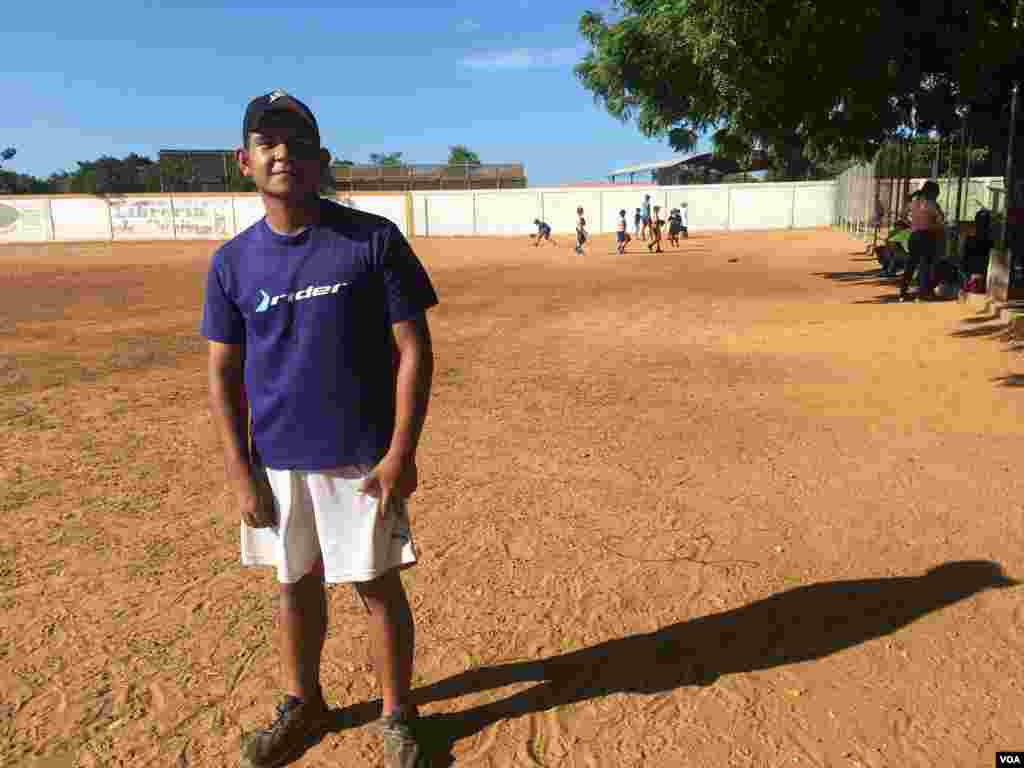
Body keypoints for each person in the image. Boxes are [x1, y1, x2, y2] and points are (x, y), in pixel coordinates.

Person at [201, 90, 437, 768]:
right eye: (268, 143)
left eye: (298, 143)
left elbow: (414, 349)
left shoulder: (372, 240)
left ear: (321, 159)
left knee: (376, 587)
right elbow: (223, 374)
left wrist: (400, 451)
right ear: (244, 161)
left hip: (360, 459)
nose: (283, 155)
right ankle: (304, 702)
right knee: (293, 584)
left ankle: (396, 716)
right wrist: (240, 471)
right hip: (276, 460)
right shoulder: (232, 263)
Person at [899, 180, 945, 302]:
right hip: (927, 237)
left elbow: (902, 216)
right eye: (936, 193)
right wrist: (933, 226)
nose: (936, 196)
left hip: (914, 236)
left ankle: (903, 293)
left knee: (911, 264)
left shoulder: (913, 203)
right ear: (931, 192)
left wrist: (912, 225)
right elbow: (941, 221)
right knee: (926, 265)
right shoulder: (932, 204)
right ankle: (922, 294)